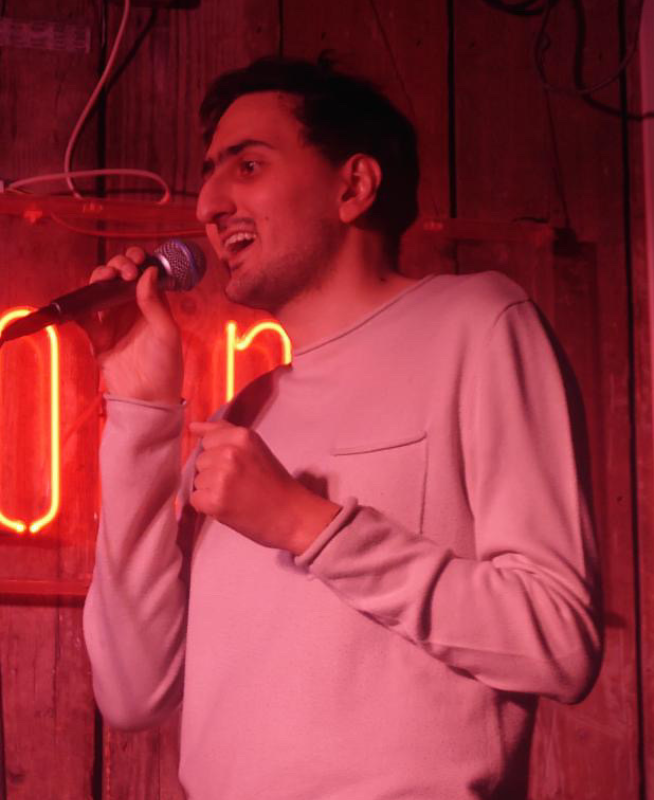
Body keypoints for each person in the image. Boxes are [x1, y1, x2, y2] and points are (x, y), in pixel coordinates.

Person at [81, 55, 602, 800]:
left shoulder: (477, 323)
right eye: (209, 174)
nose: (208, 204)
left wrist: (309, 526)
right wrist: (139, 411)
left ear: (353, 186)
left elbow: (558, 642)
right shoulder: (248, 411)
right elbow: (134, 694)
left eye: (248, 165)